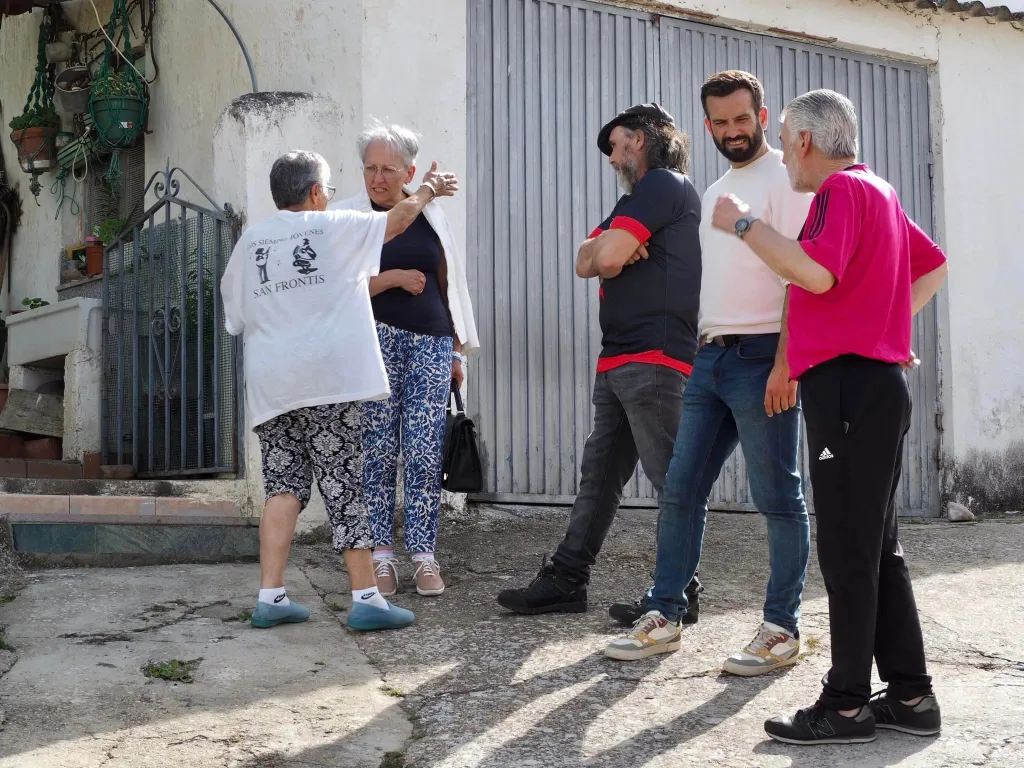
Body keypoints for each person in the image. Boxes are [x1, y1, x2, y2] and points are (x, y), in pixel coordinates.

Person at [711, 89, 948, 745]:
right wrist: (889, 328)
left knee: (848, 550)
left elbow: (813, 275)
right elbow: (933, 267)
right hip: (869, 385)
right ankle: (910, 696)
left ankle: (845, 705)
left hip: (848, 387)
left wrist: (740, 222)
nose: (781, 150)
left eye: (783, 137)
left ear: (806, 141)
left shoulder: (839, 193)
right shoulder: (881, 191)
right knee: (878, 549)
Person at [604, 71, 812, 673]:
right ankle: (663, 615)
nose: (731, 131)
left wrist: (785, 362)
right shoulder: (715, 187)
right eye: (719, 123)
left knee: (777, 496)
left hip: (763, 355)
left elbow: (800, 273)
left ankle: (780, 628)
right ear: (707, 126)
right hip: (711, 355)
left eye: (741, 120)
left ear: (763, 116)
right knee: (681, 488)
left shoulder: (786, 180)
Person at [221, 149, 457, 631]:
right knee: (346, 484)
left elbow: (236, 318)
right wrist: (429, 188)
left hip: (271, 386)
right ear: (313, 193)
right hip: (324, 382)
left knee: (283, 487)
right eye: (327, 189)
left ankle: (271, 596)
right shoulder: (331, 227)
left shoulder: (251, 241)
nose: (330, 197)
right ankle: (368, 599)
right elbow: (397, 221)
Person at [496, 104, 703, 616]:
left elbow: (604, 259)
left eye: (614, 145)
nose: (611, 158)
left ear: (640, 139)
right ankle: (567, 579)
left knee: (672, 483)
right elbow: (584, 259)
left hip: (653, 359)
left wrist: (608, 250)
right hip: (620, 360)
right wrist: (605, 248)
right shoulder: (632, 202)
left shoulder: (663, 184)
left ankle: (678, 595)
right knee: (600, 477)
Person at [333, 122, 479, 598]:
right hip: (372, 341)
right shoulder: (348, 216)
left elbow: (448, 282)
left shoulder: (432, 215)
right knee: (376, 450)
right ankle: (380, 558)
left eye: (388, 170)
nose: (377, 178)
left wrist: (457, 350)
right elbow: (337, 286)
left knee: (423, 448)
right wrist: (392, 277)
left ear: (409, 172)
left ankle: (423, 554)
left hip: (432, 342)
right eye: (370, 168)